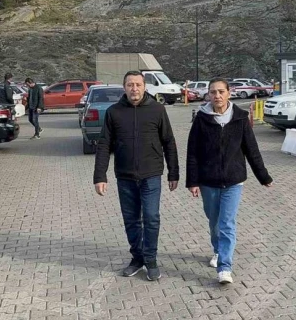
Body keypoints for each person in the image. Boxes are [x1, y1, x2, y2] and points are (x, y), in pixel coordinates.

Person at [93, 70, 179, 281]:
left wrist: (173, 172)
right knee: (131, 220)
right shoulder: (114, 112)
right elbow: (104, 144)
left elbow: (169, 141)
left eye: (138, 85)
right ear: (124, 87)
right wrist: (100, 176)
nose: (134, 89)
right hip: (125, 176)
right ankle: (137, 258)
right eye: (130, 85)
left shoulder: (157, 110)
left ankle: (151, 260)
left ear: (144, 87)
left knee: (151, 218)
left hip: (151, 175)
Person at [186, 78, 273, 284]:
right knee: (214, 222)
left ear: (229, 93)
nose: (217, 96)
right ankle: (217, 250)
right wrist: (193, 181)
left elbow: (251, 149)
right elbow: (192, 153)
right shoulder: (201, 119)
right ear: (208, 95)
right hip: (208, 181)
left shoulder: (240, 118)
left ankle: (225, 267)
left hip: (234, 180)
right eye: (213, 92)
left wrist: (263, 176)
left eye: (221, 91)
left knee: (227, 223)